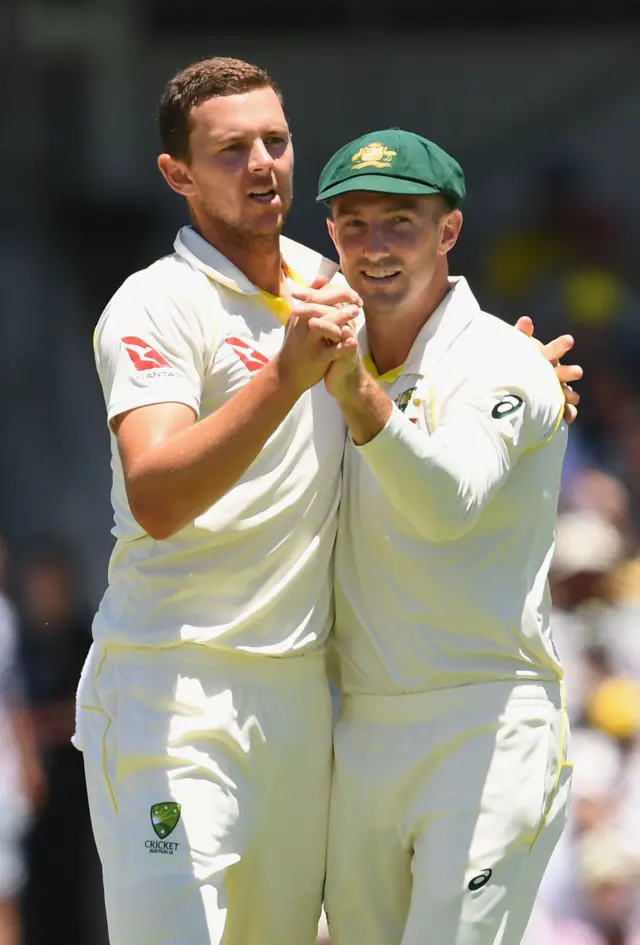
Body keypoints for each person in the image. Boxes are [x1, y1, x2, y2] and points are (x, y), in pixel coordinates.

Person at [74, 58, 581, 945]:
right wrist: (285, 375)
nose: (263, 163)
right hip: (171, 680)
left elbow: (431, 344)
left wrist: (520, 373)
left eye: (275, 141)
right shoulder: (154, 304)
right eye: (231, 151)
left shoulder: (333, 283)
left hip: (306, 702)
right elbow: (154, 495)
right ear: (177, 175)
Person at [316, 129, 575, 945]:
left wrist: (357, 396)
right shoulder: (321, 355)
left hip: (487, 726)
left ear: (448, 231)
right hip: (359, 729)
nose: (376, 247)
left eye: (401, 221)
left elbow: (450, 500)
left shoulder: (508, 361)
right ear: (331, 235)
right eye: (354, 223)